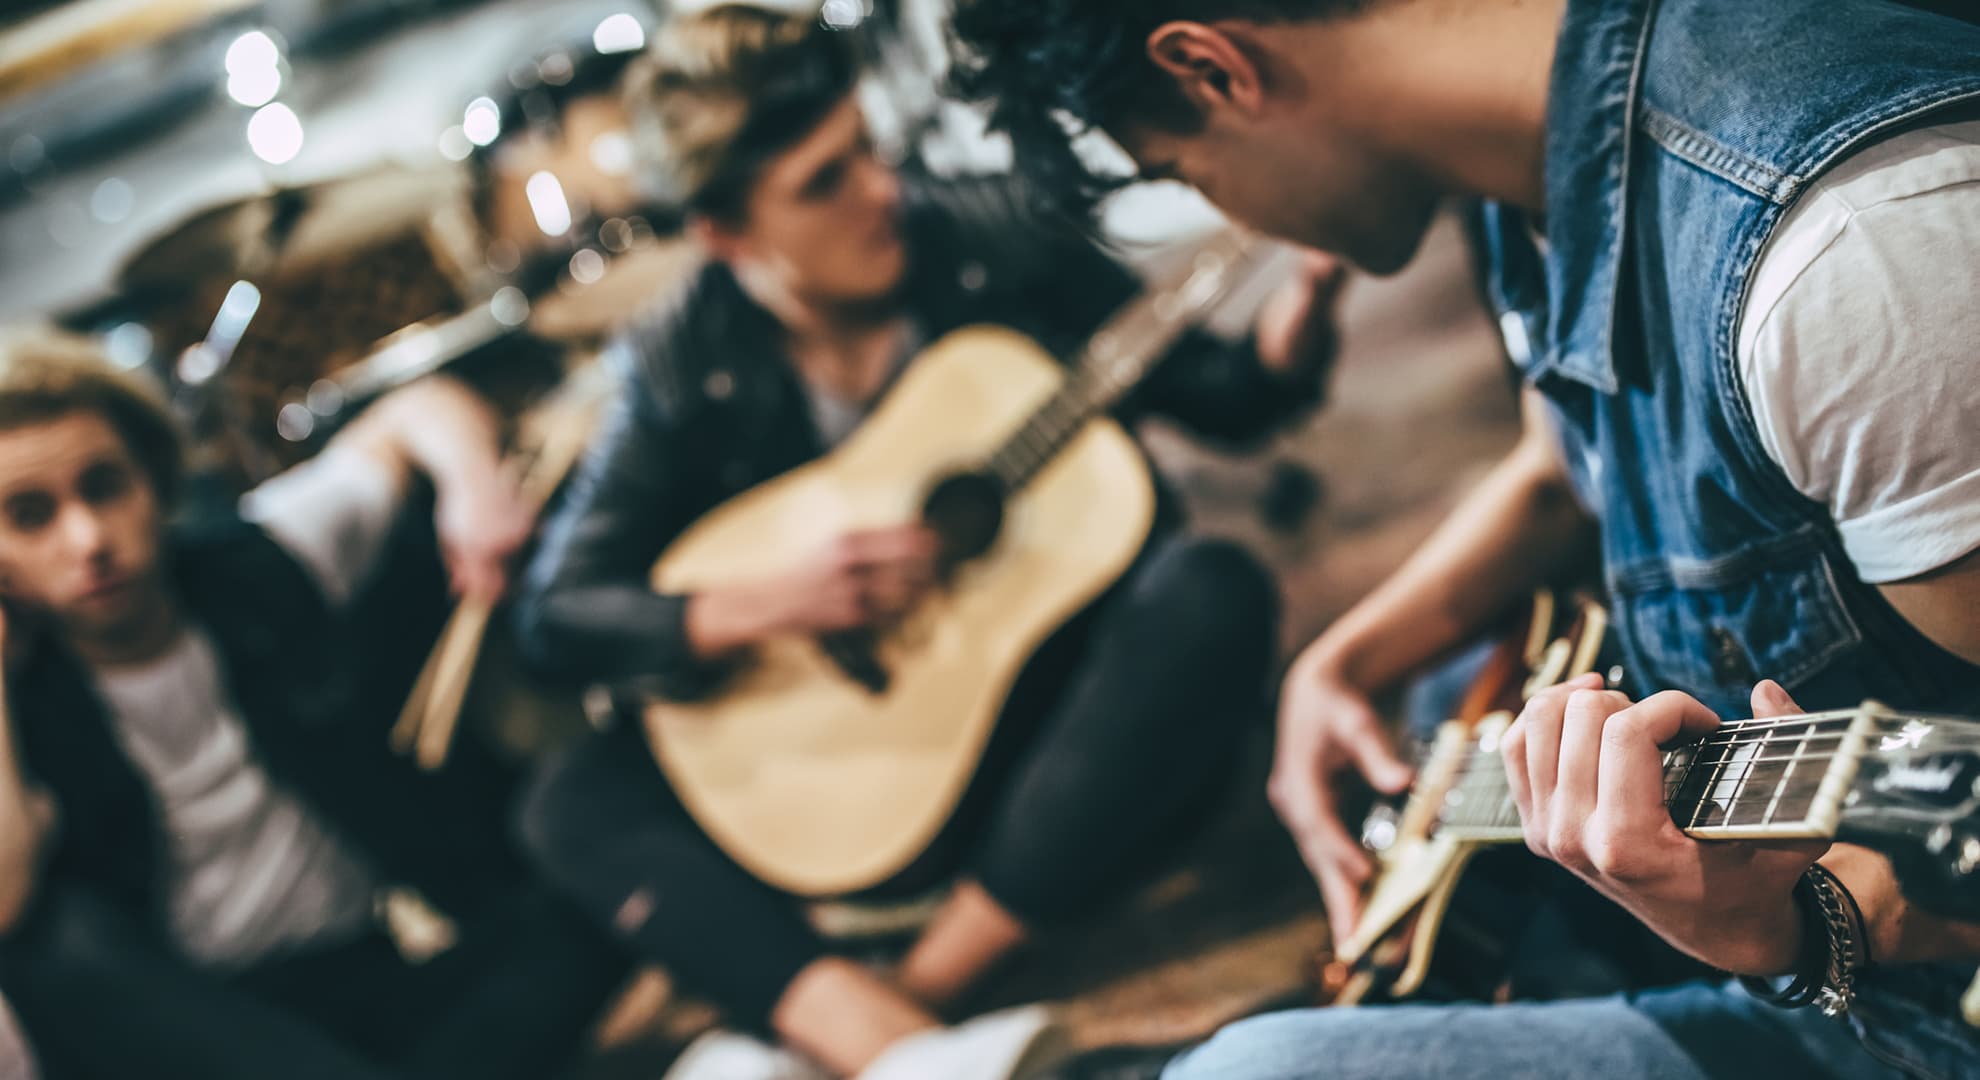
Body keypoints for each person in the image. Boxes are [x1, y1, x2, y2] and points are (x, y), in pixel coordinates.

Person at [947, 0, 1980, 1076]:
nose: (1228, 212)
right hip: (1760, 838)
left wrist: (1800, 937)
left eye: (1188, 173)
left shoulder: (1855, 261)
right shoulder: (1526, 143)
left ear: (1214, 70)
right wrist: (1345, 661)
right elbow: (1565, 464)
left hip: (1907, 1002)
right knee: (1451, 716)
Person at [510, 6, 1342, 1079]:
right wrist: (771, 601)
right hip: (851, 767)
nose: (880, 191)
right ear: (728, 235)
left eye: (866, 148)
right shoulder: (680, 361)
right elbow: (555, 616)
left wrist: (1311, 288)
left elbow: (1228, 399)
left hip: (1053, 739)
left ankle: (890, 1016)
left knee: (1210, 589)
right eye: (822, 182)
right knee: (569, 799)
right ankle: (912, 1049)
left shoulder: (994, 230)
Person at [0, 328, 625, 1079]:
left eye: (105, 487)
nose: (89, 537)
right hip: (202, 1033)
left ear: (154, 483)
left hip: (373, 974)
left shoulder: (262, 562)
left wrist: (473, 491)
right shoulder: (20, 693)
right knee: (55, 948)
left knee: (600, 886)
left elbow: (420, 407)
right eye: (29, 515)